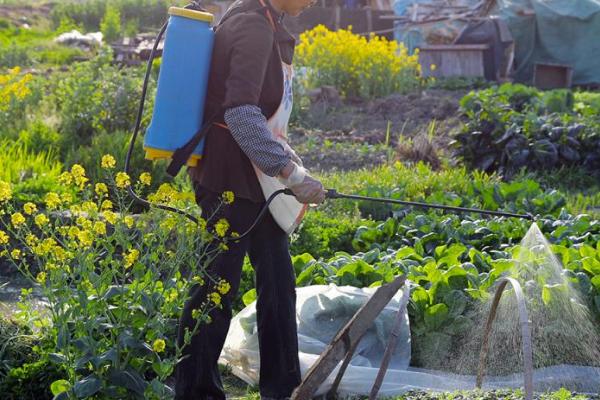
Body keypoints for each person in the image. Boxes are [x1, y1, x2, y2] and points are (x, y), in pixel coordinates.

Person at [175, 0, 324, 398]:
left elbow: (262, 115)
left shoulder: (266, 20)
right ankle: (195, 391)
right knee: (217, 287)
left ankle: (284, 388)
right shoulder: (253, 27)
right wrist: (291, 174)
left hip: (255, 177)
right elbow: (240, 113)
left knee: (277, 279)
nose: (312, 1)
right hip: (229, 178)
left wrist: (292, 167)